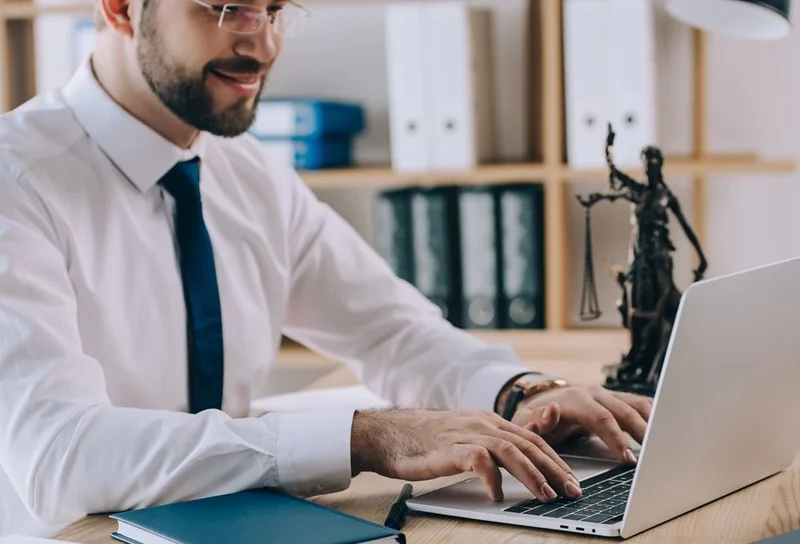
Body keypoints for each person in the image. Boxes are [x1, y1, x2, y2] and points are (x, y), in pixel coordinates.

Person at [0, 0, 652, 537]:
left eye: (277, 10)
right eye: (228, 9)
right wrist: (364, 437)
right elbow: (61, 457)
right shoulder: (16, 183)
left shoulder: (247, 172)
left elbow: (392, 332)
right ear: (119, 9)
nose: (262, 44)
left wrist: (523, 393)